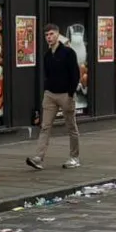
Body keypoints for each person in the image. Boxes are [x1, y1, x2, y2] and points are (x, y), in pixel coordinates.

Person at [27, 23, 81, 170]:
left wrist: (70, 94)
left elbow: (75, 75)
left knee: (71, 126)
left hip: (65, 95)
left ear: (58, 34)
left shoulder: (69, 53)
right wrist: (46, 89)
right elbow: (48, 75)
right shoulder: (47, 56)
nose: (49, 37)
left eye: (51, 34)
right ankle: (38, 158)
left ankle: (74, 157)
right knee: (45, 127)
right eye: (46, 35)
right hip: (50, 95)